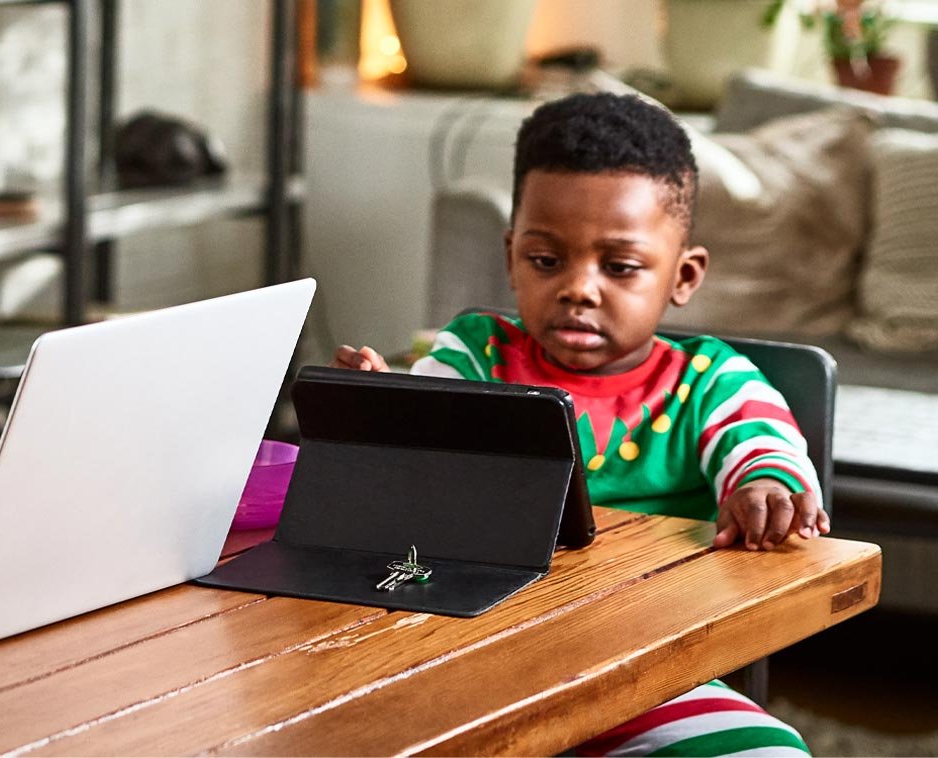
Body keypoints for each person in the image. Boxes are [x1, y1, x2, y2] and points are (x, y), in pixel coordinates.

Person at [331, 92, 822, 757]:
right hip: (470, 659)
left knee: (765, 751)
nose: (579, 289)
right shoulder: (476, 353)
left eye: (619, 267)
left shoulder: (710, 381)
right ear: (511, 258)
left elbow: (763, 445)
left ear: (683, 275)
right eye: (545, 261)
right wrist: (379, 414)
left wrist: (764, 486)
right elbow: (424, 436)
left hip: (649, 674)